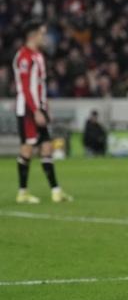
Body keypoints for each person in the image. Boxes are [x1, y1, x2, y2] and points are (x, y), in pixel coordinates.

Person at [13, 20, 73, 204]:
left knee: (47, 147)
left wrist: (46, 107)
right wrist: (37, 110)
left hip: (39, 108)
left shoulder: (38, 55)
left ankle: (56, 191)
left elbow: (39, 86)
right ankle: (22, 192)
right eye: (42, 33)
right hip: (28, 110)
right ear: (33, 35)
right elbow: (25, 88)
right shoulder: (24, 57)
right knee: (27, 148)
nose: (44, 37)